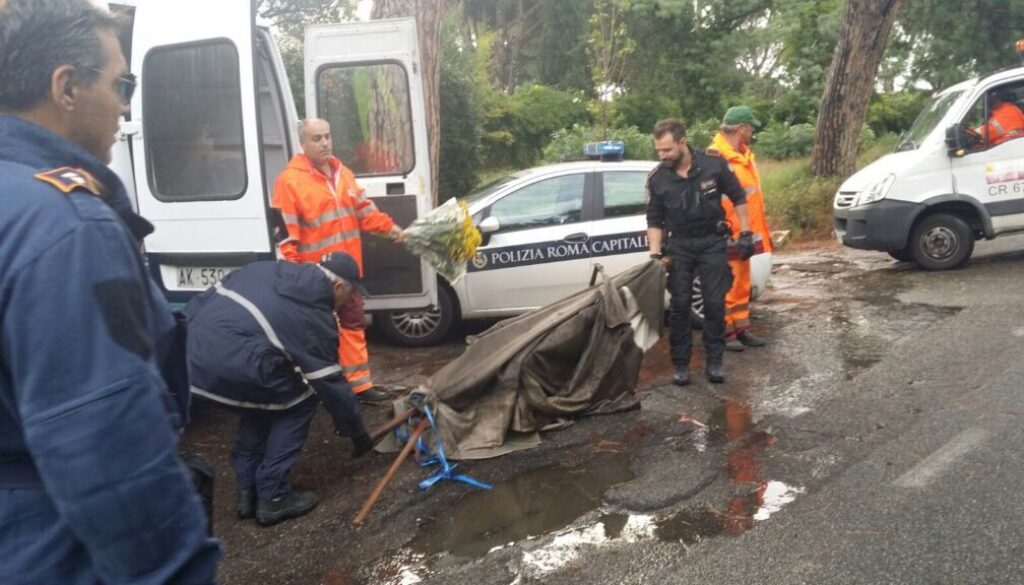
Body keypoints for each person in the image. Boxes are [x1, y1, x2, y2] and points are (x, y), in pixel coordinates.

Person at [0, 1, 221, 583]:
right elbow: (108, 449)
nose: (126, 104)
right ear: (66, 87)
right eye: (121, 82)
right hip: (51, 548)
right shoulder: (66, 225)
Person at [185, 252, 375, 527]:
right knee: (300, 401)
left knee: (263, 400)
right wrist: (356, 432)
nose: (350, 302)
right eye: (352, 294)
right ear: (338, 287)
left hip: (190, 356)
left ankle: (247, 492)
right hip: (231, 361)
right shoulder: (313, 315)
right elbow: (330, 383)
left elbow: (205, 299)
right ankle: (273, 496)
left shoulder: (269, 269)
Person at [273, 119, 404, 403]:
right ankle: (320, 390)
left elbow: (364, 211)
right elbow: (286, 238)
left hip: (348, 274)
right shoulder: (289, 181)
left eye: (328, 137)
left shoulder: (343, 173)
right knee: (317, 335)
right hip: (315, 277)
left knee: (353, 325)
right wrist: (296, 276)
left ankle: (359, 386)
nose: (325, 143)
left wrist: (392, 230)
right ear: (303, 143)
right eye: (317, 138)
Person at [646, 118, 754, 386]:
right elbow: (654, 220)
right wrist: (655, 255)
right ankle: (681, 365)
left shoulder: (713, 164)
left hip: (712, 243)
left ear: (683, 142)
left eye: (667, 150)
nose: (663, 155)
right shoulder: (658, 178)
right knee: (680, 307)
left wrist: (745, 231)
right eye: (659, 150)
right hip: (680, 246)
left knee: (715, 305)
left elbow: (739, 196)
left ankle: (714, 362)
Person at [708, 106, 773, 352]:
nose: (753, 131)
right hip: (726, 233)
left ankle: (741, 329)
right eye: (751, 127)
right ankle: (725, 333)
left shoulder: (744, 155)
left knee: (742, 283)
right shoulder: (716, 157)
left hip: (746, 233)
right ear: (741, 128)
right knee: (727, 285)